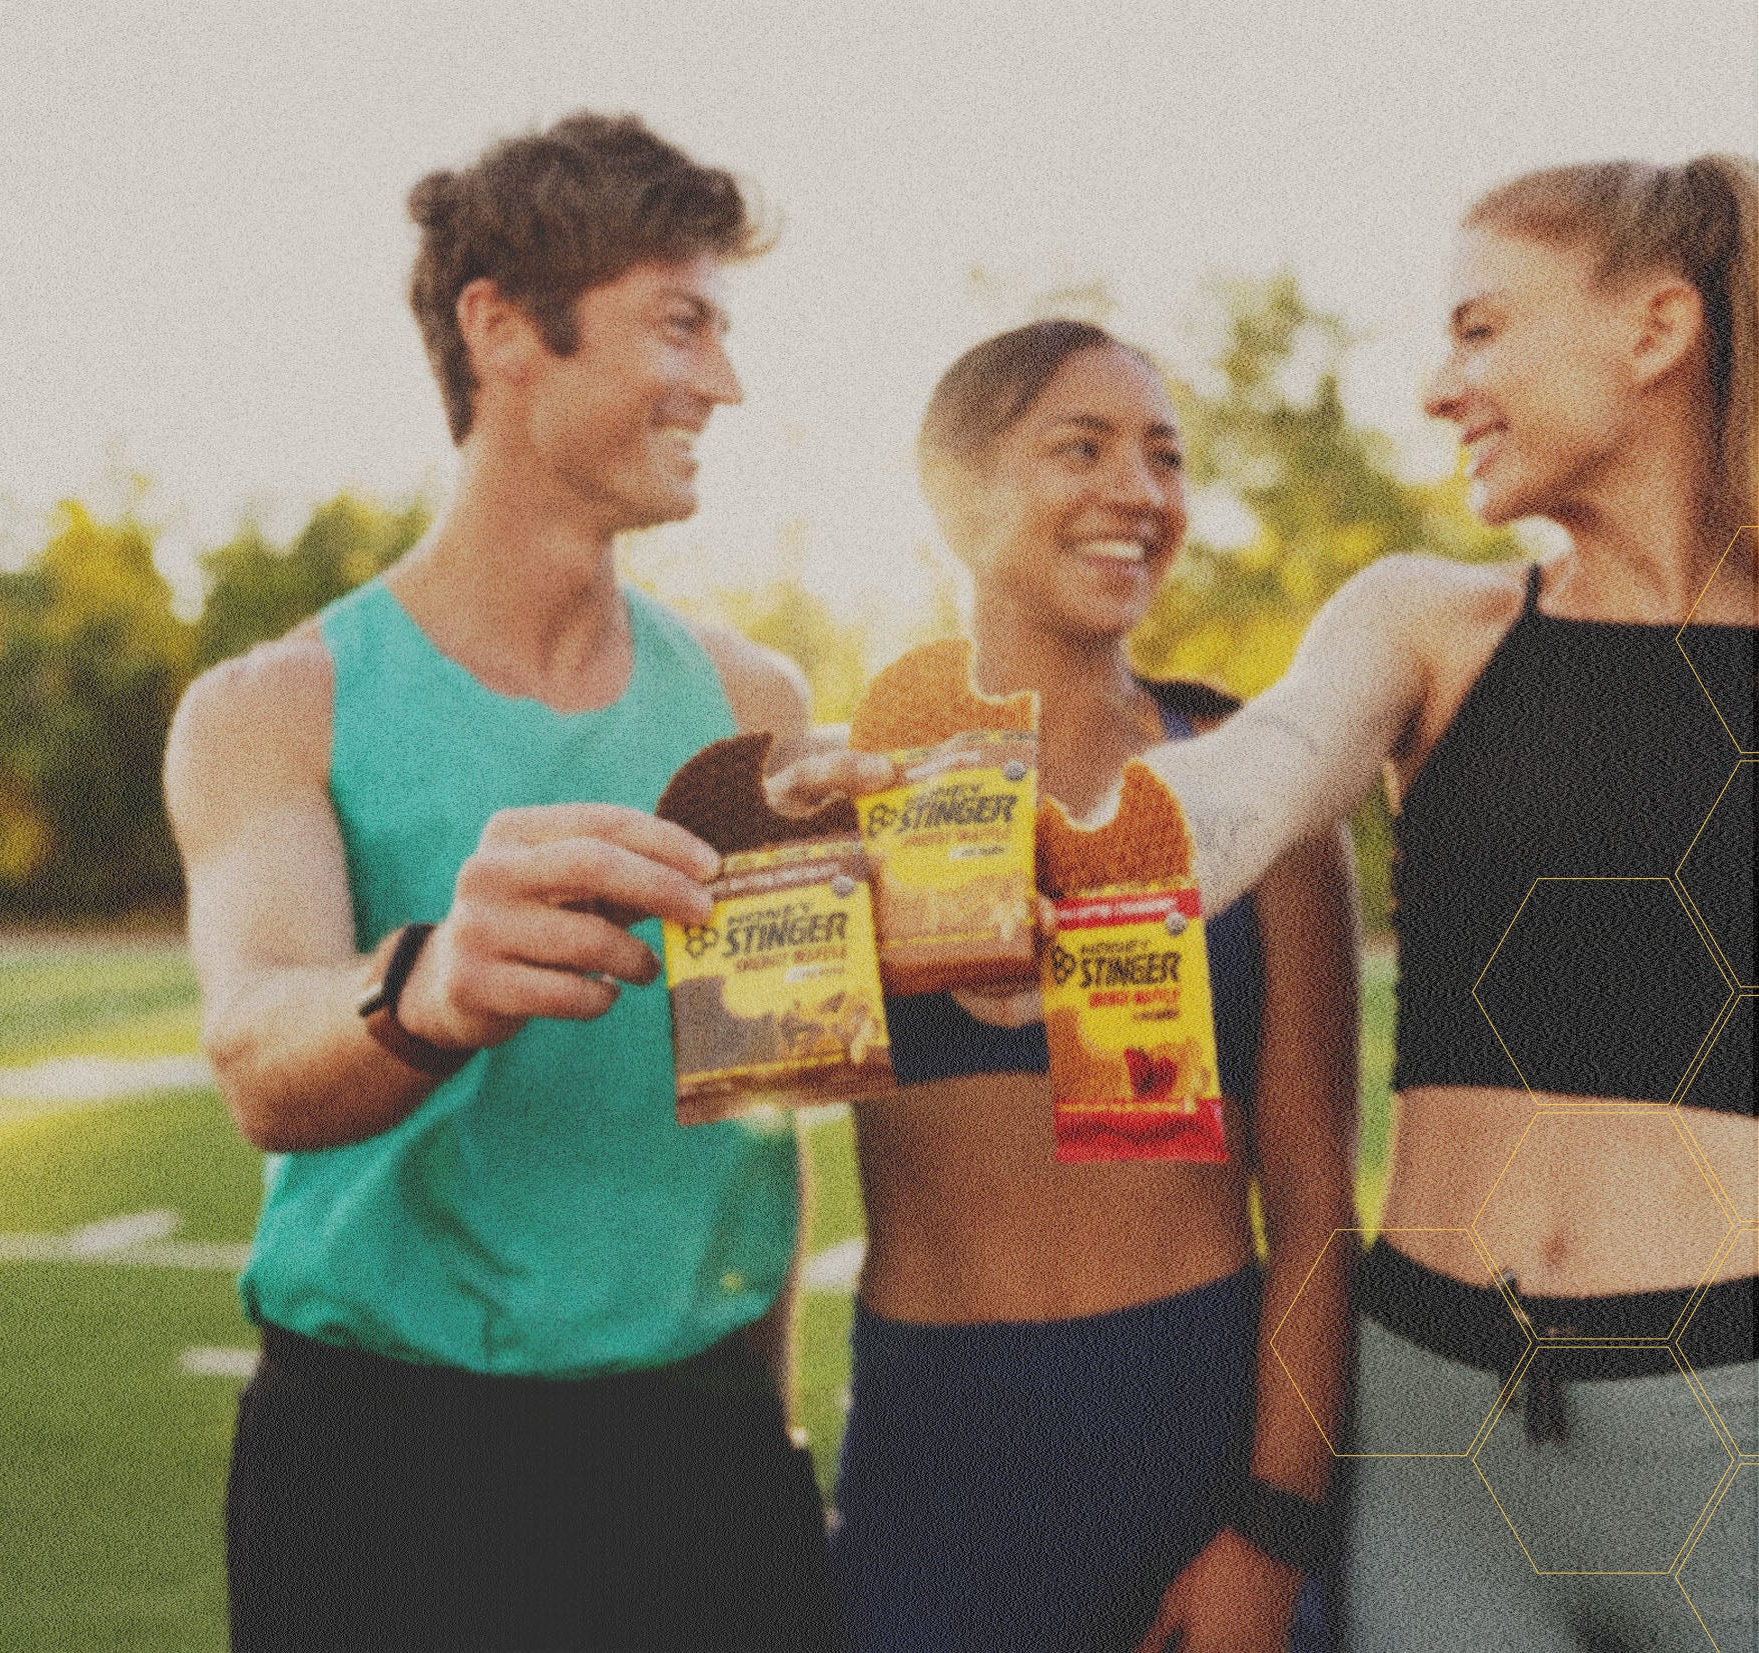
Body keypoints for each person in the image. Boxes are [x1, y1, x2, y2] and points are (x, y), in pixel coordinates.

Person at [164, 112, 854, 1653]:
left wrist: (971, 932)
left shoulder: (759, 705)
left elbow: (771, 1107)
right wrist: (431, 983)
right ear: (499, 327)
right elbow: (257, 1050)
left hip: (706, 1470)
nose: (722, 383)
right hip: (384, 1473)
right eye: (678, 324)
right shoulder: (271, 706)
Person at [1144, 157, 1758, 1652]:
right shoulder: (1427, 622)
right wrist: (1034, 853)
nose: (1437, 386)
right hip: (1436, 1436)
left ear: (1656, 328)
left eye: (1478, 329)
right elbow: (1236, 789)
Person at [819, 320, 1358, 1653]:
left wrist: (1271, 1531)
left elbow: (1312, 1198)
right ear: (955, 492)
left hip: (1184, 1428)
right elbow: (729, 1117)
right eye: (1083, 446)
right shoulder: (837, 802)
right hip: (925, 1452)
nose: (1139, 491)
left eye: (1164, 459)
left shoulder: (1259, 783)